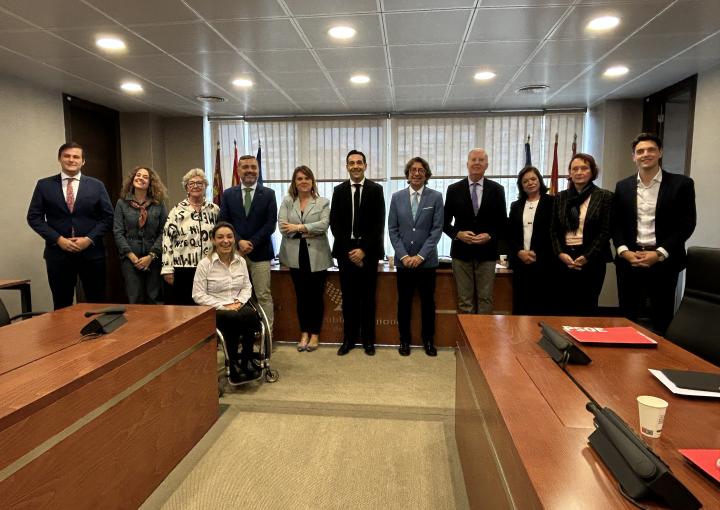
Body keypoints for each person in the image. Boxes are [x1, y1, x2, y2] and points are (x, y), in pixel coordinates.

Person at [612, 133, 696, 335]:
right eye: (640, 151)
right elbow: (616, 224)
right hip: (629, 261)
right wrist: (624, 251)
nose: (645, 154)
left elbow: (686, 224)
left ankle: (662, 364)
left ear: (660, 153)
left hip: (664, 262)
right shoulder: (623, 186)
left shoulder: (681, 184)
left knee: (662, 318)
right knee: (627, 318)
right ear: (634, 156)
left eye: (650, 150)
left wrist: (658, 253)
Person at [27, 142, 114, 310]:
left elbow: (108, 217)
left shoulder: (96, 185)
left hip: (92, 254)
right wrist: (58, 239)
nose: (71, 160)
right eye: (67, 156)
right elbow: (34, 217)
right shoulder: (44, 185)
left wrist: (89, 239)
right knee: (61, 304)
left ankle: (99, 336)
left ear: (83, 162)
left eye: (76, 157)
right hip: (58, 254)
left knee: (97, 303)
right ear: (59, 159)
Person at [330, 150, 385, 356]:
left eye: (359, 162)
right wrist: (351, 251)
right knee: (349, 299)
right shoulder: (338, 191)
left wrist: (363, 250)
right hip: (345, 253)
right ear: (347, 167)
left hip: (369, 253)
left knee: (368, 299)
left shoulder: (376, 190)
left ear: (365, 165)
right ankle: (349, 339)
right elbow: (335, 224)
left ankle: (368, 341)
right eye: (351, 163)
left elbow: (379, 224)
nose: (355, 166)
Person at [388, 157, 444, 356]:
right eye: (413, 170)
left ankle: (428, 340)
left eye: (421, 170)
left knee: (428, 304)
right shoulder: (396, 197)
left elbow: (437, 230)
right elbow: (392, 230)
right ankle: (404, 341)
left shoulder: (436, 197)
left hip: (426, 263)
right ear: (408, 174)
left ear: (426, 174)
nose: (417, 173)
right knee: (404, 304)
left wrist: (420, 256)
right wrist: (403, 256)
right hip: (404, 264)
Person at [192, 222, 258, 384]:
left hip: (238, 306)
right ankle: (233, 363)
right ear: (213, 240)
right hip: (217, 309)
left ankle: (246, 359)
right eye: (220, 237)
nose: (225, 241)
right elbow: (198, 294)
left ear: (234, 239)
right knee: (232, 318)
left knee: (251, 314)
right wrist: (224, 306)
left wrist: (240, 302)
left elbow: (247, 287)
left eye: (229, 236)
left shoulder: (240, 261)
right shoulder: (205, 264)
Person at [443, 148, 507, 314]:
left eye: (481, 160)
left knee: (485, 300)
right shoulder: (453, 189)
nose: (477, 163)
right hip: (461, 254)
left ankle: (482, 340)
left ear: (487, 164)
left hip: (487, 254)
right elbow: (444, 222)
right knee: (465, 301)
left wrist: (490, 235)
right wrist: (458, 234)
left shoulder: (497, 189)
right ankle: (466, 340)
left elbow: (502, 223)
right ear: (467, 164)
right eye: (474, 160)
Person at [550, 153, 613, 316]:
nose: (579, 172)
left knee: (587, 306)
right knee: (562, 306)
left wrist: (586, 256)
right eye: (574, 169)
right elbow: (554, 230)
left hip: (592, 260)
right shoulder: (560, 197)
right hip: (564, 259)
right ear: (570, 173)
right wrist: (560, 253)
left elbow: (605, 231)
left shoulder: (604, 196)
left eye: (584, 168)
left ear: (592, 171)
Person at [219, 155, 277, 331]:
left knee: (263, 295)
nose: (250, 170)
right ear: (238, 170)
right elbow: (224, 222)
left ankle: (266, 335)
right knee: (235, 295)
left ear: (258, 170)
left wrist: (251, 242)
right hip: (235, 254)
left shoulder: (268, 194)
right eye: (245, 167)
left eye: (253, 167)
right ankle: (238, 334)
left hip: (260, 254)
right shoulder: (228, 194)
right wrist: (239, 242)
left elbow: (270, 224)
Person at [278, 166, 332, 352]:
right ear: (294, 182)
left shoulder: (322, 202)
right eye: (299, 178)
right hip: (294, 255)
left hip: (317, 256)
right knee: (301, 297)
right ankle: (304, 333)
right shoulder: (287, 202)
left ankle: (315, 334)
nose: (303, 181)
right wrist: (308, 230)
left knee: (316, 297)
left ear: (312, 181)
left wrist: (297, 228)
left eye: (307, 178)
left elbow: (324, 226)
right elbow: (283, 228)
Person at [161, 169, 219, 305]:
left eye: (200, 183)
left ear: (205, 186)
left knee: (208, 306)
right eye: (191, 183)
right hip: (184, 268)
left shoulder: (214, 209)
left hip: (209, 267)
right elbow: (167, 240)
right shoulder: (176, 211)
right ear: (186, 187)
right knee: (186, 307)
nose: (196, 186)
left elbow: (220, 238)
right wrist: (167, 269)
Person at [113, 166, 168, 304]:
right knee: (134, 298)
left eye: (145, 177)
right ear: (132, 179)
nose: (140, 178)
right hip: (129, 258)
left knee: (154, 297)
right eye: (138, 175)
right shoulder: (122, 203)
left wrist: (151, 256)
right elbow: (118, 232)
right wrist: (131, 257)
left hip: (154, 257)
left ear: (151, 183)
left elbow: (164, 231)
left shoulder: (158, 204)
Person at [507, 166, 556, 315]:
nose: (530, 183)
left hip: (544, 263)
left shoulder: (552, 202)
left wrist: (536, 253)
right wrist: (519, 252)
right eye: (525, 181)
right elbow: (510, 234)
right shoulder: (516, 206)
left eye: (533, 179)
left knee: (542, 306)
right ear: (521, 186)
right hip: (521, 262)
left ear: (540, 180)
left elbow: (554, 233)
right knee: (521, 305)